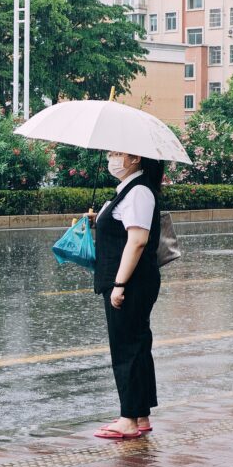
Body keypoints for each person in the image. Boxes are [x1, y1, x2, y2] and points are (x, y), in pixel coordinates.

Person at [90, 151, 164, 440]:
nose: (111, 157)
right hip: (133, 281)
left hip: (130, 283)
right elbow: (125, 230)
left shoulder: (139, 192)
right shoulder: (130, 191)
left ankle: (129, 419)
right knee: (137, 345)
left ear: (135, 159)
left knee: (126, 349)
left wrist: (119, 284)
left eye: (117, 153)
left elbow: (137, 241)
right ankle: (140, 414)